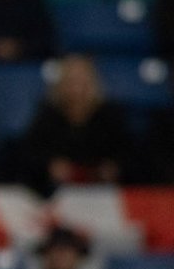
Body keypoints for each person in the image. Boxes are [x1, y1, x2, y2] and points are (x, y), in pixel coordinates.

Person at [16, 53, 133, 196]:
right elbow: (30, 155)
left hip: (105, 197)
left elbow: (129, 155)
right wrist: (49, 166)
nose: (77, 88)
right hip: (56, 196)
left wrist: (113, 168)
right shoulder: (48, 115)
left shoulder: (110, 115)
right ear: (61, 84)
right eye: (71, 81)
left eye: (83, 81)